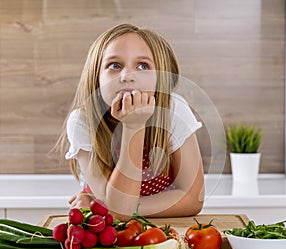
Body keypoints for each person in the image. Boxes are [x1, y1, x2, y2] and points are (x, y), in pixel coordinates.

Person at [56, 23, 205, 220]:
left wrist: (106, 206)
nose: (127, 76)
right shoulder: (82, 121)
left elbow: (192, 199)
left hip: (161, 228)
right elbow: (118, 210)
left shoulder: (173, 111)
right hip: (110, 230)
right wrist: (134, 125)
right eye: (114, 65)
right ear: (96, 78)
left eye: (143, 66)